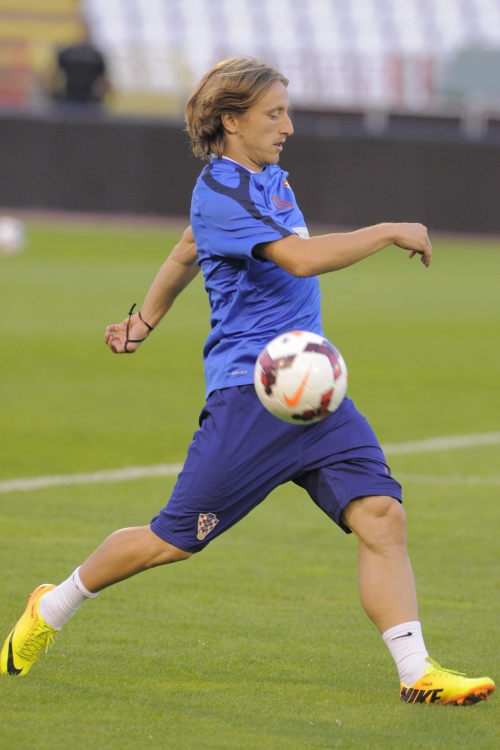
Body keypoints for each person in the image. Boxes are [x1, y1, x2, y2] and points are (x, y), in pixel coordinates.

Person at [0, 57, 494, 706]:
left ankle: (416, 673)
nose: (287, 127)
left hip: (313, 393)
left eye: (286, 112)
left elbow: (186, 248)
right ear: (231, 121)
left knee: (382, 516)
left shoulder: (266, 179)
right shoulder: (221, 192)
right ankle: (51, 605)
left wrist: (143, 321)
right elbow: (299, 260)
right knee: (170, 542)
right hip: (251, 396)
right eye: (274, 114)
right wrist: (386, 230)